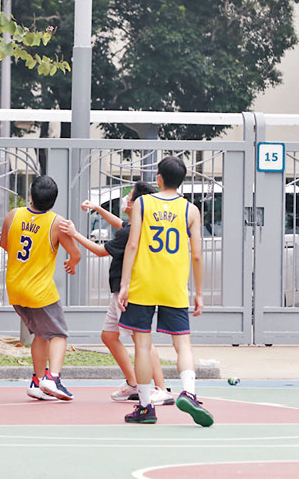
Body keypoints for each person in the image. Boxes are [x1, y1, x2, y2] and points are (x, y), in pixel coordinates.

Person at [118, 156, 214, 426]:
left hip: (143, 283)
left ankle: (146, 407)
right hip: (174, 285)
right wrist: (198, 293)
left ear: (158, 178)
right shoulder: (190, 210)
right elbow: (197, 256)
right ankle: (190, 392)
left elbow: (133, 245)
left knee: (143, 344)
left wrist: (125, 284)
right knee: (182, 342)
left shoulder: (142, 203)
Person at [59, 182, 174, 406]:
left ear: (136, 204)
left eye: (129, 197)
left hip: (128, 292)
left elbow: (101, 251)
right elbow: (120, 225)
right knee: (109, 336)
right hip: (120, 291)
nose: (125, 200)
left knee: (142, 341)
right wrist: (99, 209)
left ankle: (161, 388)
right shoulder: (137, 225)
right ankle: (133, 383)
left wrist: (75, 234)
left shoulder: (131, 232)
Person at [0, 175, 81, 401]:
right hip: (40, 292)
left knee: (41, 335)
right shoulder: (57, 223)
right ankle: (53, 378)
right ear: (54, 200)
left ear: (31, 196)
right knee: (59, 335)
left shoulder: (13, 216)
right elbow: (76, 254)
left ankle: (37, 380)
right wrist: (71, 264)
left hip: (15, 288)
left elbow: (5, 244)